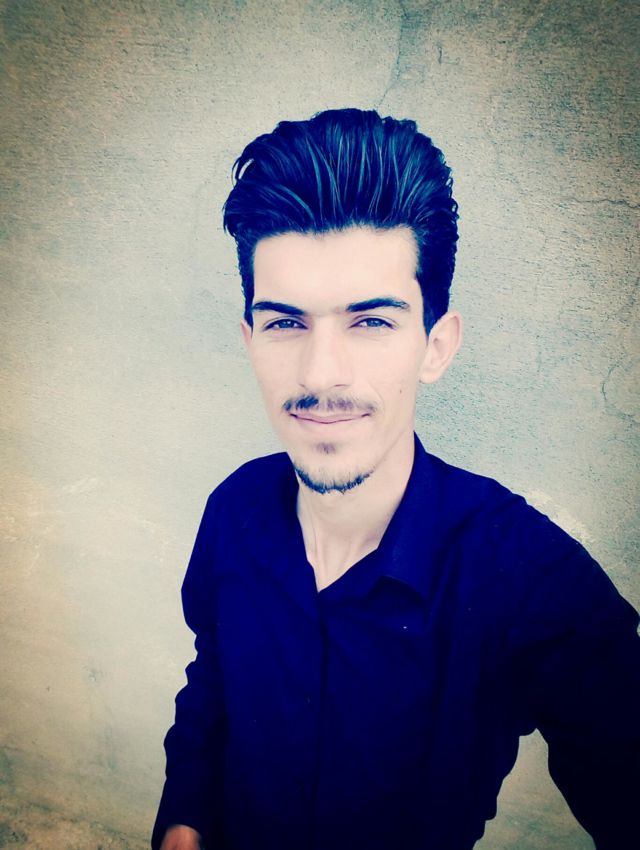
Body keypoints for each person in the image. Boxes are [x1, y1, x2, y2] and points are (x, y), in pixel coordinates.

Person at [152, 109, 639, 850]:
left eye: (372, 322)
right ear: (250, 340)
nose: (321, 375)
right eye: (285, 323)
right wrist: (184, 818)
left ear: (435, 347)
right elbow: (212, 675)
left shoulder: (528, 578)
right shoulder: (233, 510)